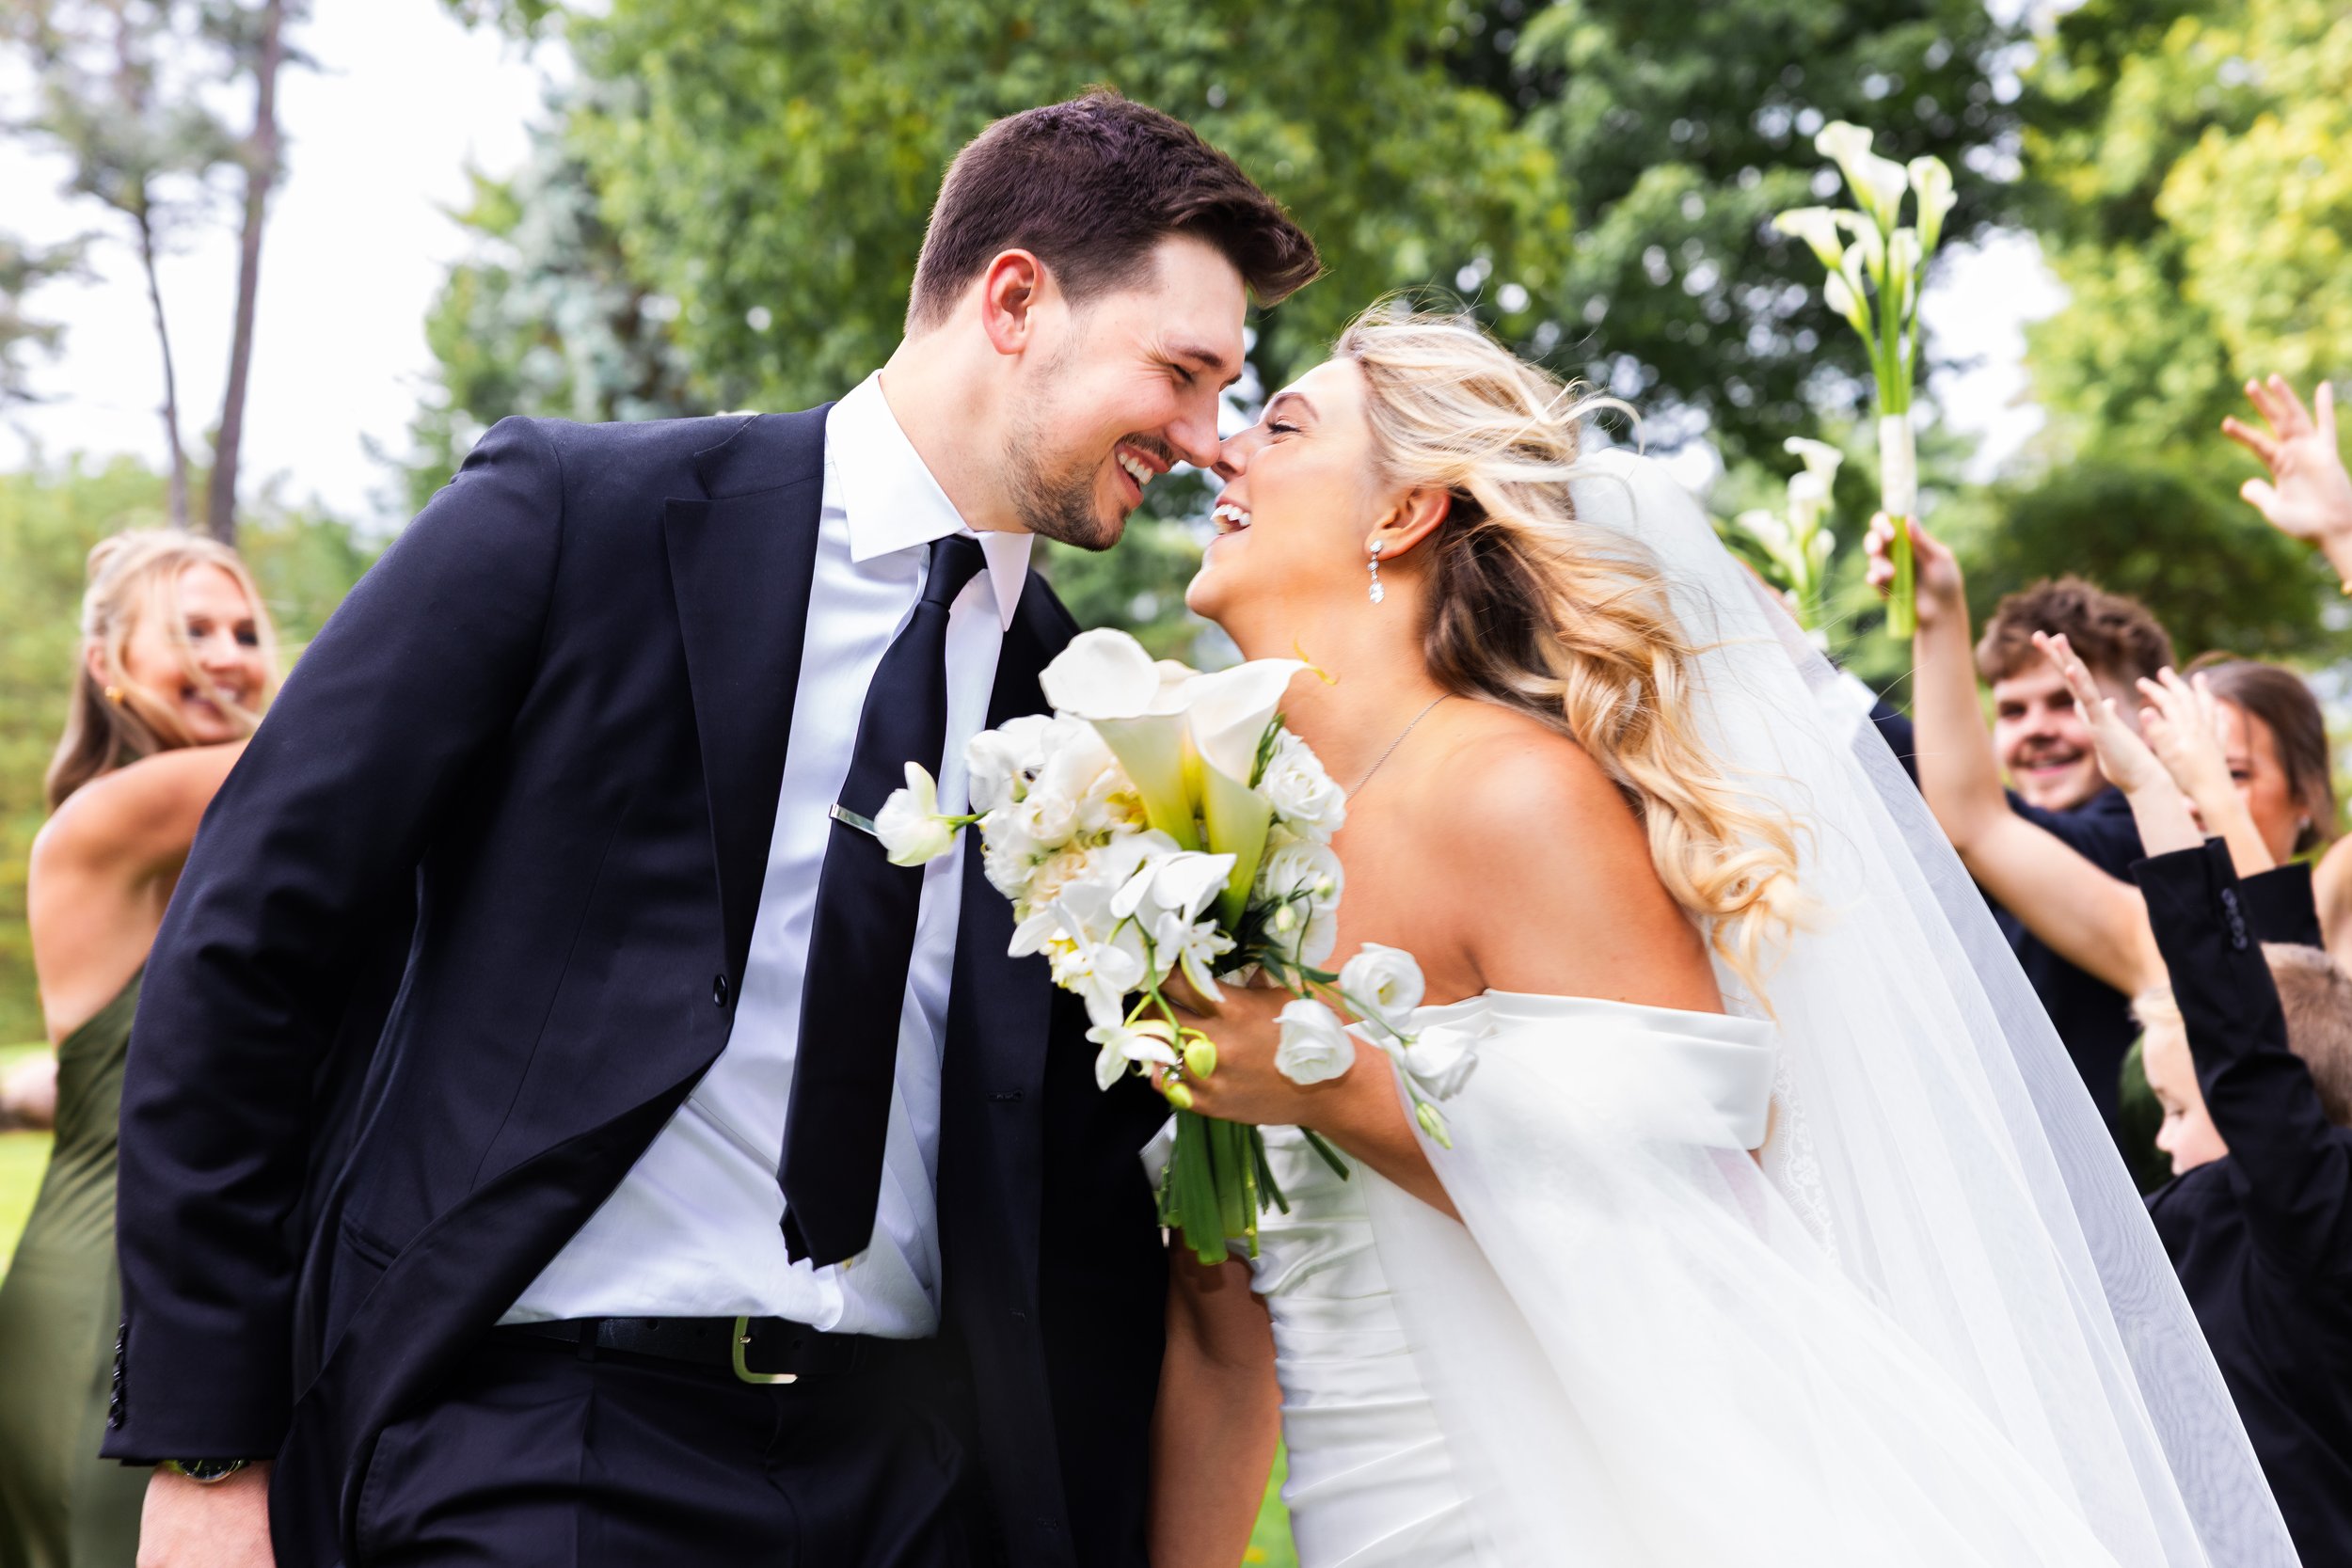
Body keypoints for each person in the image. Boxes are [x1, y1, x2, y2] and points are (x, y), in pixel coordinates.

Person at [104, 93, 1318, 1568]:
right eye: (1183, 372)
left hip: (916, 1482)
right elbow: (246, 938)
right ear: (1015, 301)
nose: (1205, 438)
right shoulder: (575, 518)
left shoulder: (1084, 712)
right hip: (538, 1438)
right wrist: (209, 1447)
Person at [1146, 307, 2294, 1565]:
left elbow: (1690, 1231)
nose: (1225, 451)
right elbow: (1221, 1305)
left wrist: (1325, 1074)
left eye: (1283, 424)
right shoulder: (1236, 835)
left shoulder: (1514, 797)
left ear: (1402, 512)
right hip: (1348, 1512)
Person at [0, 531, 279, 1568]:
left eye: (245, 630)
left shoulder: (251, 844)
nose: (228, 653)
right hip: (113, 1290)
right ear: (110, 667)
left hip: (212, 1272)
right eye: (189, 629)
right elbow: (362, 736)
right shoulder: (111, 813)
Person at [2039, 641, 2352, 1560]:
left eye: (2182, 1105)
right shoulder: (2237, 1203)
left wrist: (2148, 790)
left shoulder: (2311, 1214)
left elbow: (2249, 1027)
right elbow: (2292, 973)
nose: (2167, 1139)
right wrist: (2186, 791)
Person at [1862, 522, 2175, 1131]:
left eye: (2065, 702)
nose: (2035, 728)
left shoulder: (2143, 843)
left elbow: (1974, 817)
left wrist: (1800, 668)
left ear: (2149, 713)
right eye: (2011, 710)